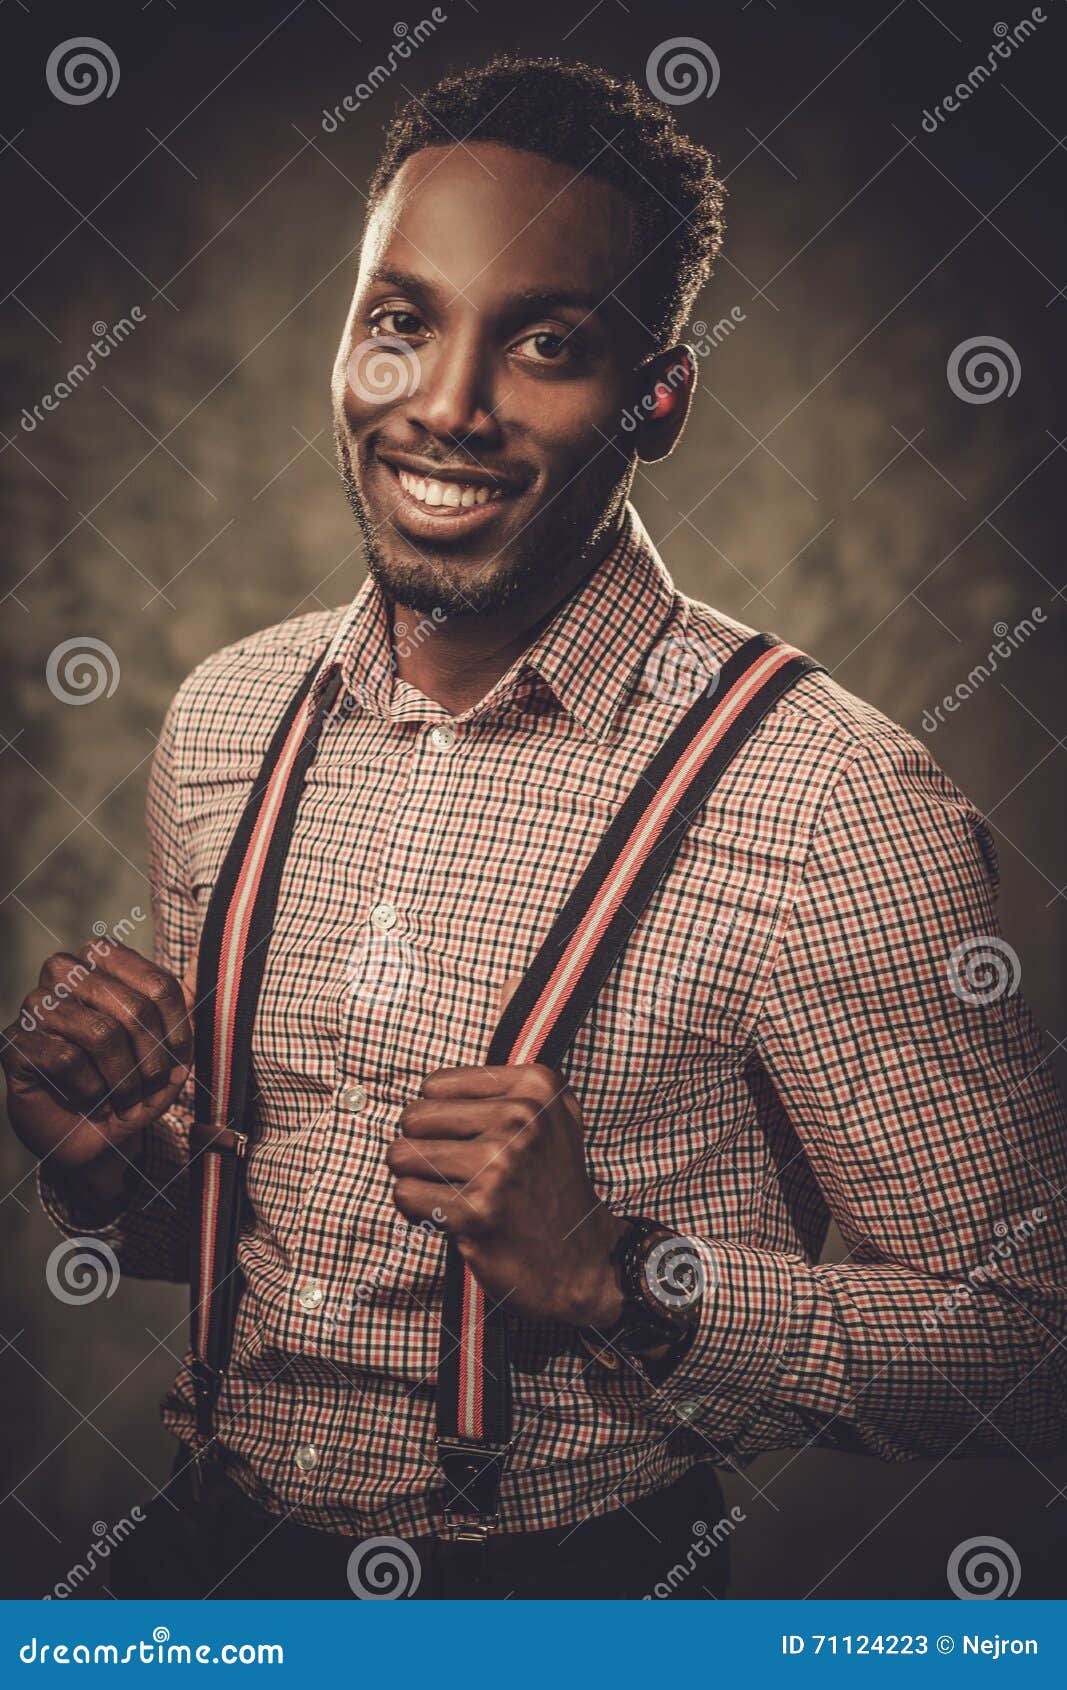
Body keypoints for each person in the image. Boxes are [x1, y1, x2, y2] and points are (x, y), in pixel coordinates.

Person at [4, 55, 1065, 1602]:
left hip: (573, 1591)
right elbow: (300, 1225)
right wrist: (120, 1175)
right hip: (208, 1553)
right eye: (401, 321)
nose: (446, 404)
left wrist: (627, 1278)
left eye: (549, 342)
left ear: (658, 397)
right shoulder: (224, 723)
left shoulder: (833, 798)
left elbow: (1029, 1342)